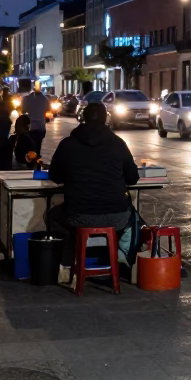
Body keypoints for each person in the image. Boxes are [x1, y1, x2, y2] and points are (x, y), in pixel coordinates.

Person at [45, 102, 139, 274]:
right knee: (134, 216)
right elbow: (133, 178)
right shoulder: (118, 144)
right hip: (116, 217)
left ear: (82, 119)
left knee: (52, 215)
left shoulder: (68, 144)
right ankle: (122, 259)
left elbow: (55, 176)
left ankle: (68, 262)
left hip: (79, 216)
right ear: (106, 120)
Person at [19, 79, 49, 158]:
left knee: (31, 145)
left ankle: (33, 158)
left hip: (31, 126)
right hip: (41, 126)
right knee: (38, 144)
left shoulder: (27, 99)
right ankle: (37, 157)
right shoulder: (45, 99)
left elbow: (23, 110)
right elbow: (48, 111)